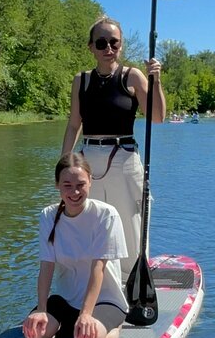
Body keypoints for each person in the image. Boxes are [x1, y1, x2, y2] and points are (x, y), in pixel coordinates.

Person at [61, 16, 165, 279]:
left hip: (124, 159)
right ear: (91, 47)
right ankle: (94, 283)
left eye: (114, 42)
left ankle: (134, 282)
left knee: (129, 224)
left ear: (121, 45)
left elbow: (157, 117)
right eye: (101, 42)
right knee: (92, 223)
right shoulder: (80, 81)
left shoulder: (133, 77)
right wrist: (65, 164)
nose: (108, 48)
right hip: (89, 160)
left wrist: (156, 81)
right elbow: (74, 125)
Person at [22, 153, 128, 338]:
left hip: (103, 301)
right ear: (57, 185)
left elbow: (98, 269)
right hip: (66, 300)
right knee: (33, 335)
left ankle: (114, 326)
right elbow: (46, 267)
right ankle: (65, 327)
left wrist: (87, 314)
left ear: (90, 182)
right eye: (67, 185)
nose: (75, 192)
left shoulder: (106, 215)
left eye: (80, 184)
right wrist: (41, 310)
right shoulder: (48, 216)